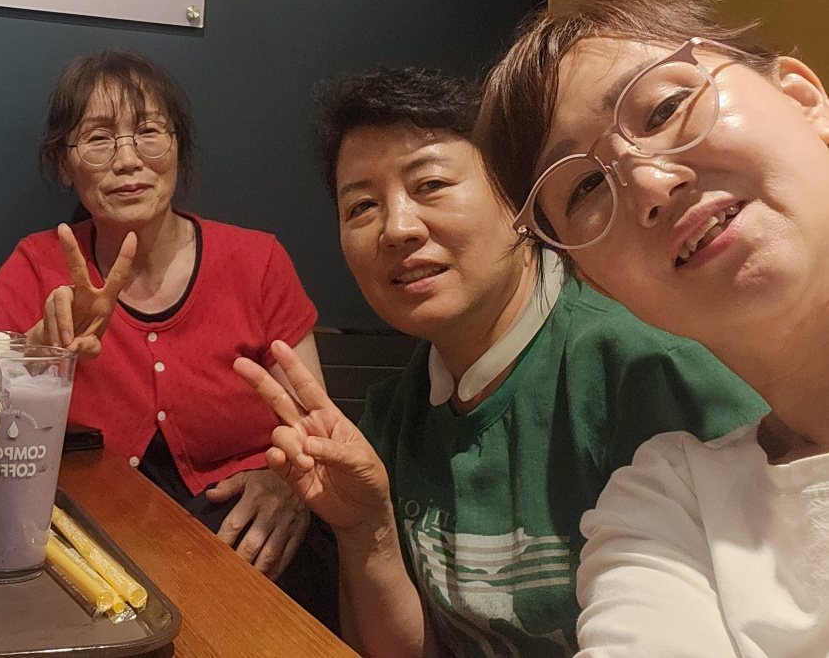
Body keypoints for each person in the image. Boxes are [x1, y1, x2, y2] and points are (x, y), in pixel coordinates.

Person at [235, 66, 764, 658]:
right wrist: (367, 530)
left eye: (430, 184)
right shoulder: (395, 415)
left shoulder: (650, 370)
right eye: (361, 206)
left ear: (517, 197)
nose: (397, 228)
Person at [475, 0, 829, 656]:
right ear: (596, 283)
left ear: (801, 97)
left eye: (665, 107)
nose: (649, 183)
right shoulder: (672, 510)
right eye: (584, 187)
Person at [0, 49, 340, 630]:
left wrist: (288, 482)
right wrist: (37, 348)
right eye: (98, 138)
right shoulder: (41, 263)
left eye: (148, 132)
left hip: (255, 536)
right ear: (65, 163)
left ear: (178, 147)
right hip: (95, 544)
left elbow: (317, 424)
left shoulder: (258, 261)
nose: (127, 160)